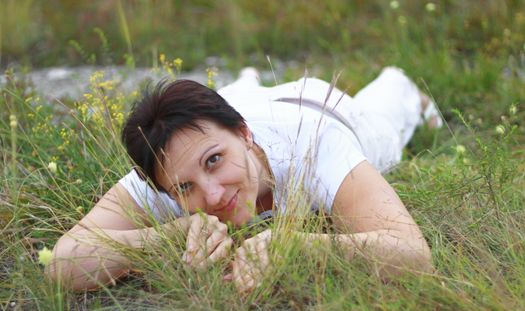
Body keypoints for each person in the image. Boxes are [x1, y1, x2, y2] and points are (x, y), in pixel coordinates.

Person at [48, 67, 439, 292]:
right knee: (234, 94)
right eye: (185, 189)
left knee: (388, 125)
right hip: (240, 103)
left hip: (320, 105)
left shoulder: (318, 144)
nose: (213, 195)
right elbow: (61, 264)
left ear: (244, 134)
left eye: (215, 161)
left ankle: (401, 84)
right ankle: (246, 80)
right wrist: (167, 234)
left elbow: (414, 256)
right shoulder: (171, 161)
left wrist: (300, 246)